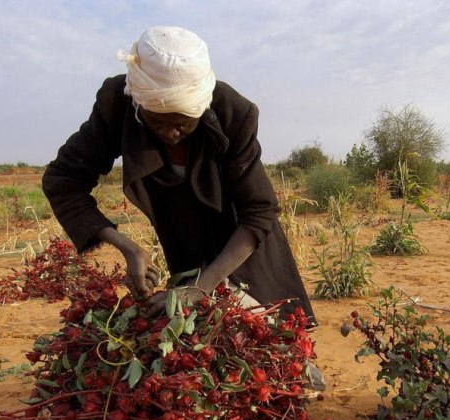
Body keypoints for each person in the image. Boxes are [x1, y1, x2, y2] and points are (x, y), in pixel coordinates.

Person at [42, 25, 314, 324]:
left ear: (200, 109)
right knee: (194, 336)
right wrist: (128, 248)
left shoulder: (233, 112)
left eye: (183, 124)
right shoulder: (118, 105)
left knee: (266, 332)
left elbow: (259, 210)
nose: (170, 133)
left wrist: (201, 287)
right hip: (185, 246)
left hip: (243, 245)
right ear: (139, 105)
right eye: (157, 122)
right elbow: (63, 181)